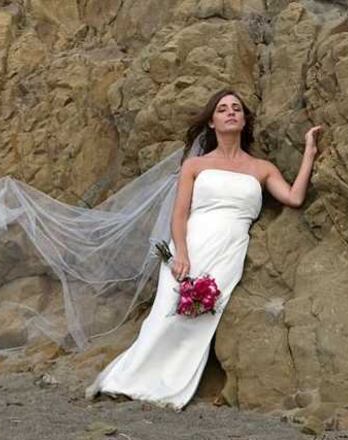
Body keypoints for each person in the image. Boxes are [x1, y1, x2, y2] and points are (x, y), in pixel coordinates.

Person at [85, 89, 321, 410]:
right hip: (192, 245)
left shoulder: (261, 168)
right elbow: (180, 214)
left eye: (236, 108)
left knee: (199, 319)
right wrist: (181, 253)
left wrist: (309, 150)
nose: (230, 113)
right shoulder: (195, 165)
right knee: (164, 318)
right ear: (212, 122)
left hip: (229, 250)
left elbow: (293, 197)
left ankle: (167, 386)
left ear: (244, 119)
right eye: (222, 109)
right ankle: (124, 381)